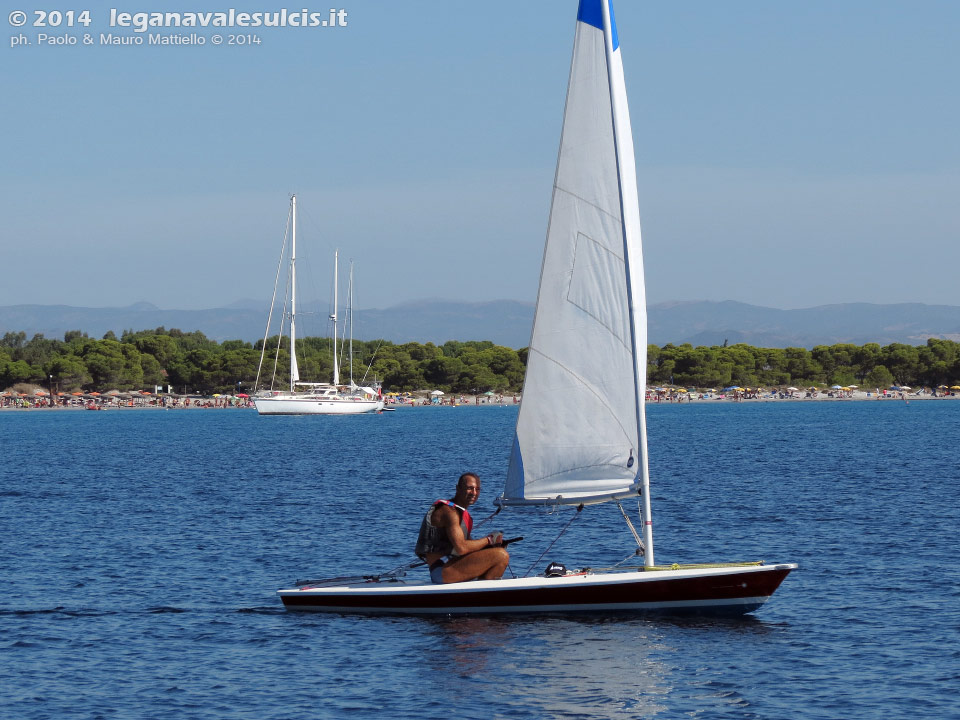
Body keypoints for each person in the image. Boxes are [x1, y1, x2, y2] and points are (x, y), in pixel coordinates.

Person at [414, 472, 509, 584]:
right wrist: (489, 540)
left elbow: (469, 548)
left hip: (454, 565)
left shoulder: (461, 514)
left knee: (498, 553)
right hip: (442, 570)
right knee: (501, 555)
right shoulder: (449, 512)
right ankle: (484, 595)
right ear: (458, 488)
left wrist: (491, 546)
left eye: (477, 489)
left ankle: (480, 595)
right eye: (470, 488)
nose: (474, 493)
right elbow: (461, 548)